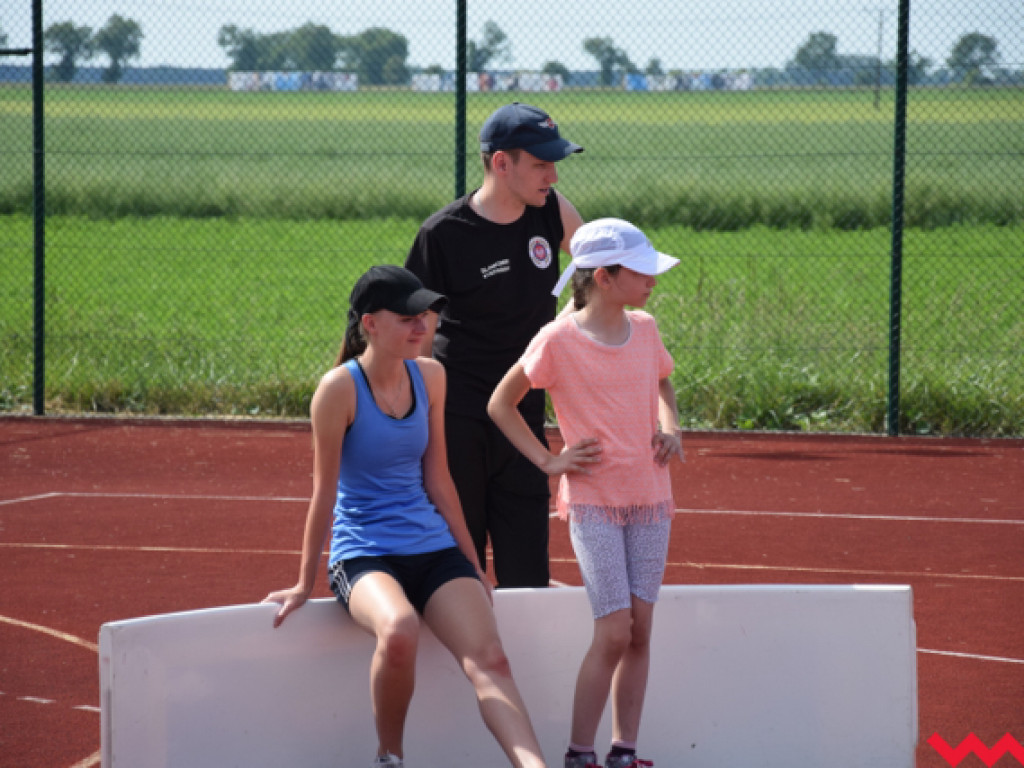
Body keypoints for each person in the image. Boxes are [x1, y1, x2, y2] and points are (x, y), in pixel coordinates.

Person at [263, 265, 549, 768]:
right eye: (407, 318)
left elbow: (439, 478)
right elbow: (323, 492)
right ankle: (389, 757)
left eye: (427, 316)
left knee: (491, 660)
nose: (423, 326)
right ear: (369, 324)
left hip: (434, 548)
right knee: (399, 630)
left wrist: (472, 561)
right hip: (365, 554)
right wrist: (303, 582)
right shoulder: (338, 390)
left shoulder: (431, 376)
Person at [486, 219, 685, 768]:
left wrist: (671, 426)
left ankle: (624, 752)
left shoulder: (644, 327)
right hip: (594, 502)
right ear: (603, 276)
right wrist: (550, 460)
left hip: (651, 497)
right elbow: (502, 402)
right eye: (642, 271)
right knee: (614, 630)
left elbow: (664, 380)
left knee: (640, 630)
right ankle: (579, 754)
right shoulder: (557, 339)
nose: (652, 280)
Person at [405, 102, 585, 588]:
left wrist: (557, 332)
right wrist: (417, 421)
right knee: (457, 570)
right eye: (541, 163)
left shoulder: (552, 211)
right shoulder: (443, 234)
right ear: (501, 163)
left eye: (554, 163)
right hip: (457, 417)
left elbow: (594, 266)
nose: (552, 174)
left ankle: (520, 666)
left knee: (527, 572)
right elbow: (413, 336)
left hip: (522, 412)